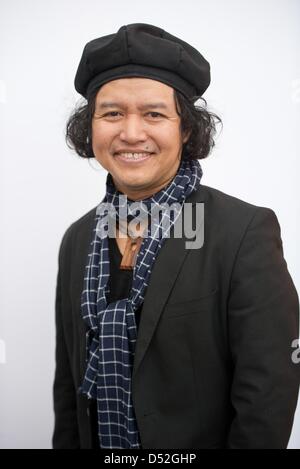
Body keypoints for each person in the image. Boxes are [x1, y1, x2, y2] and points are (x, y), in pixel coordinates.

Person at [52, 23, 300, 449]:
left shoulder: (243, 232)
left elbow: (269, 392)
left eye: (154, 114)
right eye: (112, 113)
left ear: (185, 129)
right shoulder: (78, 239)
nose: (131, 133)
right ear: (90, 128)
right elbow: (69, 392)